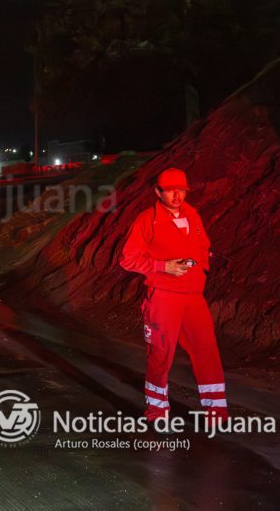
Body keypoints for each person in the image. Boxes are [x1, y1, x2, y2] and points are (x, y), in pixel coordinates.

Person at [120, 168, 228, 423]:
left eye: (181, 190)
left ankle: (216, 411)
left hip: (193, 296)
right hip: (164, 296)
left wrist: (201, 263)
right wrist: (163, 266)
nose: (177, 195)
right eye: (170, 191)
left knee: (207, 350)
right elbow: (127, 259)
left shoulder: (193, 214)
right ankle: (157, 412)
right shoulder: (147, 220)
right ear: (158, 192)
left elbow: (204, 245)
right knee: (160, 353)